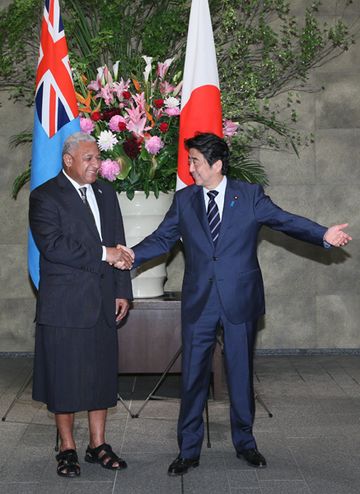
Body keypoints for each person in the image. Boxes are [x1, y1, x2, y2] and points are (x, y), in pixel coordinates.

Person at [121, 132, 351, 476]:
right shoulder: (185, 200)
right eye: (190, 161)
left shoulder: (250, 196)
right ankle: (188, 450)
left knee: (240, 375)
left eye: (195, 161)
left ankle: (246, 443)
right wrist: (133, 254)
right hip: (200, 301)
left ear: (216, 164)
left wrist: (322, 234)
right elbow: (164, 237)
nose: (191, 167)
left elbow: (284, 220)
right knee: (193, 377)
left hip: (239, 300)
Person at [29, 132, 134, 478]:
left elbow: (118, 242)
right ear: (68, 160)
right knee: (65, 379)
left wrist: (122, 291)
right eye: (88, 158)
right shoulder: (45, 197)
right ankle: (67, 447)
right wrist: (106, 254)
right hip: (64, 304)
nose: (95, 165)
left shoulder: (107, 193)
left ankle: (97, 444)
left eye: (97, 158)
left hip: (103, 300)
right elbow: (55, 247)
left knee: (101, 376)